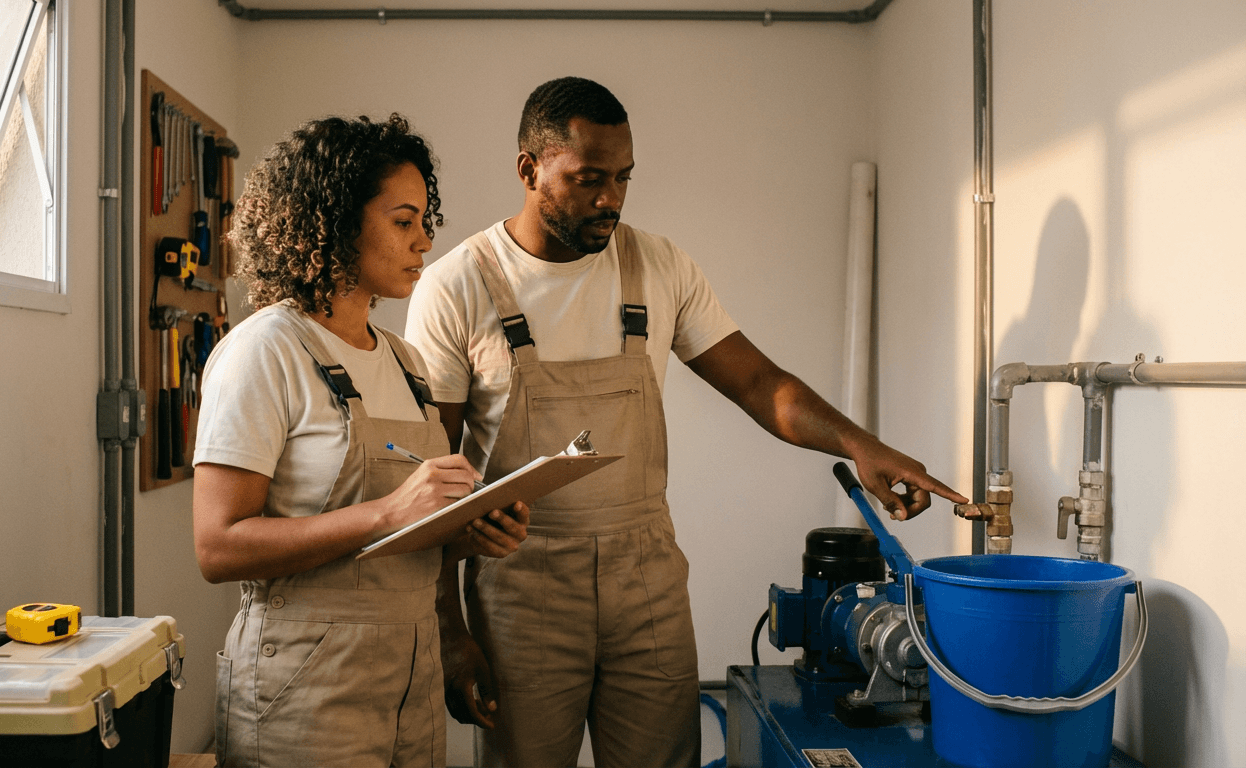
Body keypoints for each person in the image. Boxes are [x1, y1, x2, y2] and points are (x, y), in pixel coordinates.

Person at [404, 78, 968, 767]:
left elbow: (760, 384)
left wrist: (862, 447)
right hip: (520, 588)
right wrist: (449, 629)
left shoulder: (658, 266)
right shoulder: (458, 286)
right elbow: (433, 477)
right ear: (529, 170)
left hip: (646, 583)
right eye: (588, 179)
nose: (610, 198)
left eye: (623, 177)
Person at [192, 114, 528, 768]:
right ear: (337, 221)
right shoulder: (264, 351)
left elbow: (407, 536)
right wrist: (387, 512)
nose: (424, 240)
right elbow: (217, 546)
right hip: (305, 688)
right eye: (403, 221)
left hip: (412, 677)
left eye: (425, 220)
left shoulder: (407, 363)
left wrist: (471, 530)